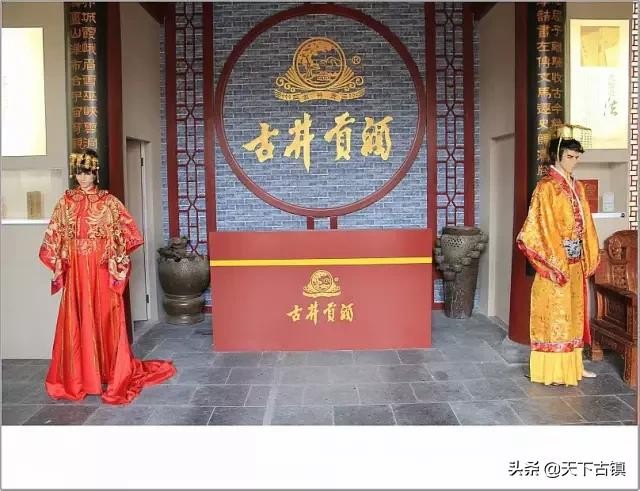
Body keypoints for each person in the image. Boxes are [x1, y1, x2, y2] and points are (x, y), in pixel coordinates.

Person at [39, 149, 176, 404]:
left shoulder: (109, 202)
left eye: (88, 173)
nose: (83, 178)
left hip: (101, 268)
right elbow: (53, 237)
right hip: (76, 270)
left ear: (96, 173)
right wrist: (64, 257)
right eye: (79, 173)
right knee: (78, 316)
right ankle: (80, 377)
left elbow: (130, 234)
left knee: (104, 315)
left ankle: (109, 371)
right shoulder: (65, 202)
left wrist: (112, 253)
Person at [516, 136, 600, 386]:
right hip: (556, 261)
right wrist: (556, 259)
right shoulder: (546, 187)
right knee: (555, 314)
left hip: (576, 260)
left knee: (574, 312)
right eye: (570, 157)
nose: (574, 162)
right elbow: (541, 226)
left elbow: (586, 223)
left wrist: (587, 251)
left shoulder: (577, 186)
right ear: (557, 156)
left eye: (577, 158)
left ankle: (575, 366)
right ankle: (552, 371)